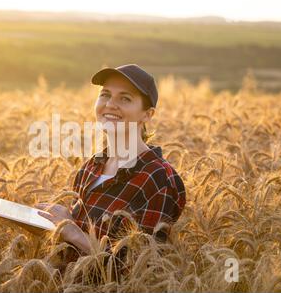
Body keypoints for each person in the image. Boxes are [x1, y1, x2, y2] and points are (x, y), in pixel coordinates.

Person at [36, 64, 186, 259]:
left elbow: (137, 268)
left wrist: (73, 232)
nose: (110, 104)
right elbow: (75, 248)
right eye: (105, 94)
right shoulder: (92, 166)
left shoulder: (158, 179)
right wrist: (57, 222)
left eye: (125, 98)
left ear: (147, 115)